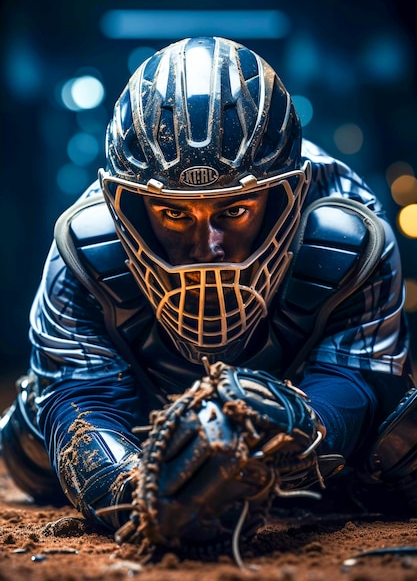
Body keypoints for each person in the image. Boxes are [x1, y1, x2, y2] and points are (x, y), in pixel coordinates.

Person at [1, 36, 415, 540]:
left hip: (292, 388)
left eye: (234, 210)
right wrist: (133, 487)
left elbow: (358, 374)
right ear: (128, 204)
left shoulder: (351, 231)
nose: (206, 247)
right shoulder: (86, 247)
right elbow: (81, 392)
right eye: (174, 212)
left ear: (287, 195)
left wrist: (295, 428)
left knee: (399, 442)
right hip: (138, 412)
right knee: (30, 446)